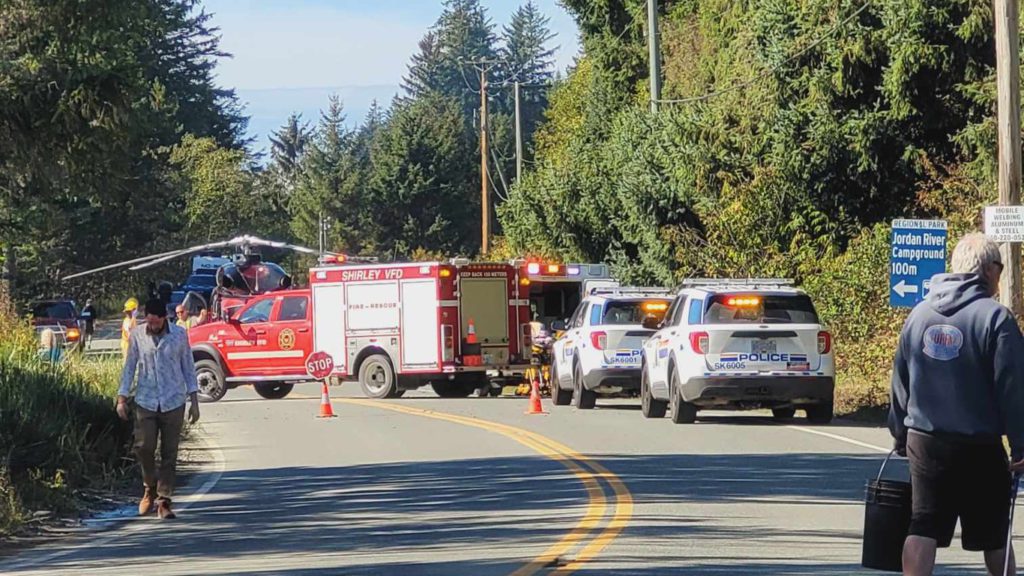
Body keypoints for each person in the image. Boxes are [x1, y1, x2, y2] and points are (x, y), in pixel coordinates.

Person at [890, 233, 1024, 576]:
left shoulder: (918, 315)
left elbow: (901, 379)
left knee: (922, 525)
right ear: (989, 270)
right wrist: (1021, 445)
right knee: (994, 535)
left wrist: (899, 433)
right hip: (979, 444)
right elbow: (1013, 387)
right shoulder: (996, 319)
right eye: (1001, 268)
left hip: (926, 441)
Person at [117, 298, 200, 520]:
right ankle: (148, 487)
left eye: (155, 322)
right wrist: (121, 398)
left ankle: (164, 500)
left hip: (174, 400)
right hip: (146, 399)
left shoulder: (179, 335)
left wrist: (194, 400)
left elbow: (188, 367)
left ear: (164, 318)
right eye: (149, 322)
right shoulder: (138, 335)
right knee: (144, 447)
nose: (151, 326)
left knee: (169, 452)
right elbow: (129, 367)